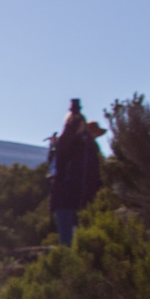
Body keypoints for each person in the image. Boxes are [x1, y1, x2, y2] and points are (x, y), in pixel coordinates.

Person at [49, 99, 101, 246]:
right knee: (68, 243)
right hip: (65, 201)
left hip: (85, 200)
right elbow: (67, 138)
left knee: (84, 242)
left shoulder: (89, 147)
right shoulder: (64, 145)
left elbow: (95, 173)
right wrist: (74, 116)